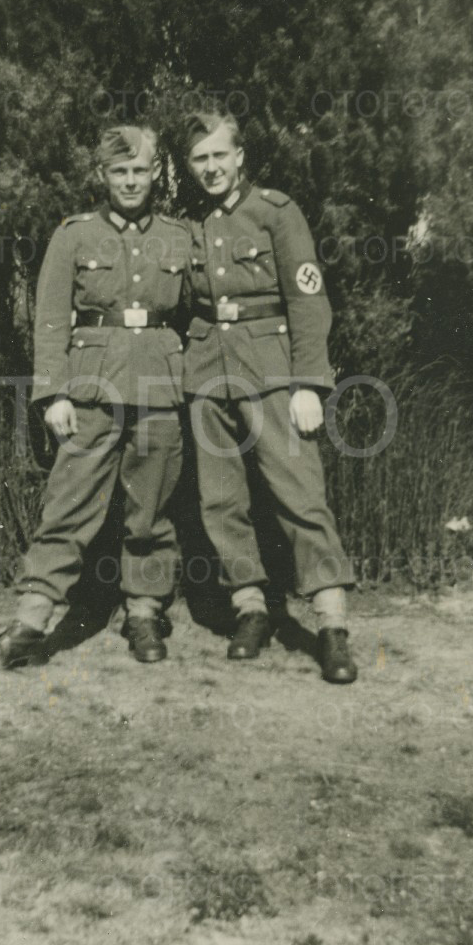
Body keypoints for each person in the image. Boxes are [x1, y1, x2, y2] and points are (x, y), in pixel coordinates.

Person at [0, 125, 190, 674]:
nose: (131, 181)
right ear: (102, 176)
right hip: (91, 391)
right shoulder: (74, 234)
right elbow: (49, 320)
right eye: (119, 171)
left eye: (140, 170)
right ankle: (30, 622)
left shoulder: (179, 237)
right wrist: (53, 394)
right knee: (67, 507)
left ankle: (144, 612)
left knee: (151, 511)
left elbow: (197, 315)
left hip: (160, 388)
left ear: (155, 173)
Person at [180, 110, 358, 683]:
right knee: (220, 500)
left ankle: (330, 625)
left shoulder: (277, 212)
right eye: (199, 159)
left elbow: (308, 300)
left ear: (240, 157)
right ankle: (250, 609)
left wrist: (309, 383)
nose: (211, 167)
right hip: (208, 373)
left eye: (219, 155)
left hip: (272, 373)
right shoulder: (189, 226)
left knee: (299, 496)